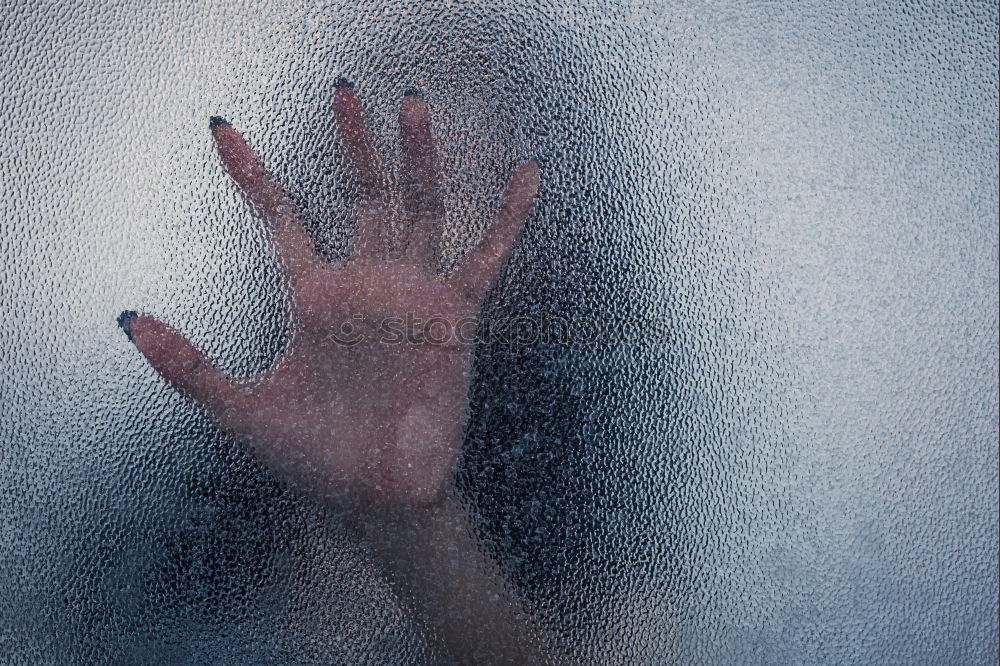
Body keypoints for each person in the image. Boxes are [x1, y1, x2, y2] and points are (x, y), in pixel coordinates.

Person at [118, 80, 562, 664]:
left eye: (484, 177)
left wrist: (412, 529)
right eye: (430, 166)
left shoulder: (569, 441)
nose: (444, 210)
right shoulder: (197, 478)